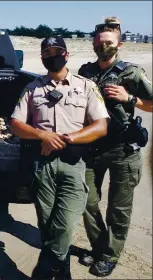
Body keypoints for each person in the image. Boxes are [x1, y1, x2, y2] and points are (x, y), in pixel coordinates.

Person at [10, 36, 110, 279]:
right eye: (47, 53)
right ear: (42, 57)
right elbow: (15, 124)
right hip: (43, 166)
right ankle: (62, 272)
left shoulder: (85, 86)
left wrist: (67, 138)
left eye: (56, 52)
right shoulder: (33, 88)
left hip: (74, 165)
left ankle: (43, 271)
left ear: (66, 55)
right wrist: (42, 135)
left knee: (64, 224)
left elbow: (101, 126)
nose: (51, 56)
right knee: (46, 224)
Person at [77, 17, 153, 277]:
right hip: (92, 148)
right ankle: (99, 248)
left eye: (108, 43)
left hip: (124, 150)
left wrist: (129, 98)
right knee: (86, 201)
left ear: (119, 44)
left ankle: (110, 255)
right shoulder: (86, 72)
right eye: (99, 43)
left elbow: (152, 102)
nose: (103, 47)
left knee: (119, 208)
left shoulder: (131, 72)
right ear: (93, 45)